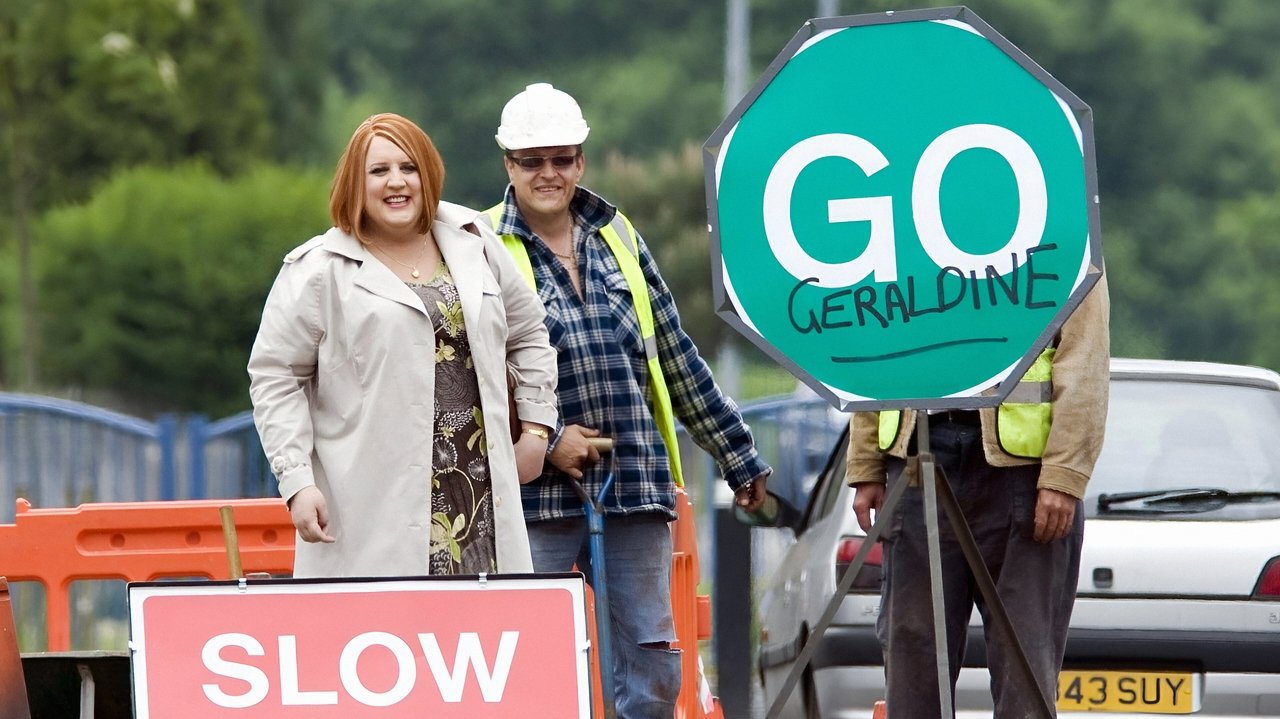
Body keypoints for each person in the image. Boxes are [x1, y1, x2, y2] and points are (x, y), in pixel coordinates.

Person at [483, 82, 772, 718]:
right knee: (529, 664)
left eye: (561, 159)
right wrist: (548, 442)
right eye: (532, 161)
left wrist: (737, 454)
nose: (548, 173)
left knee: (652, 665)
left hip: (633, 481)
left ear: (580, 160)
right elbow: (469, 380)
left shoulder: (616, 236)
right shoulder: (481, 248)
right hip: (531, 498)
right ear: (509, 165)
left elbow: (673, 353)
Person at [248, 113, 557, 578]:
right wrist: (296, 481)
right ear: (355, 183)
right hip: (369, 513)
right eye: (379, 170)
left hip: (481, 505)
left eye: (409, 167)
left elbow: (530, 333)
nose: (397, 181)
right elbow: (275, 377)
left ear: (427, 174)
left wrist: (535, 430)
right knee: (382, 621)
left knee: (483, 622)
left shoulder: (475, 242)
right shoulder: (317, 269)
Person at [847, 275, 1110, 717]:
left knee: (1024, 670)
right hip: (917, 458)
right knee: (913, 663)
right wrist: (866, 460)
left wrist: (1064, 474)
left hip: (1023, 477)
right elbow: (877, 334)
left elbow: (1085, 358)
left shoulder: (1063, 237)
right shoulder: (904, 235)